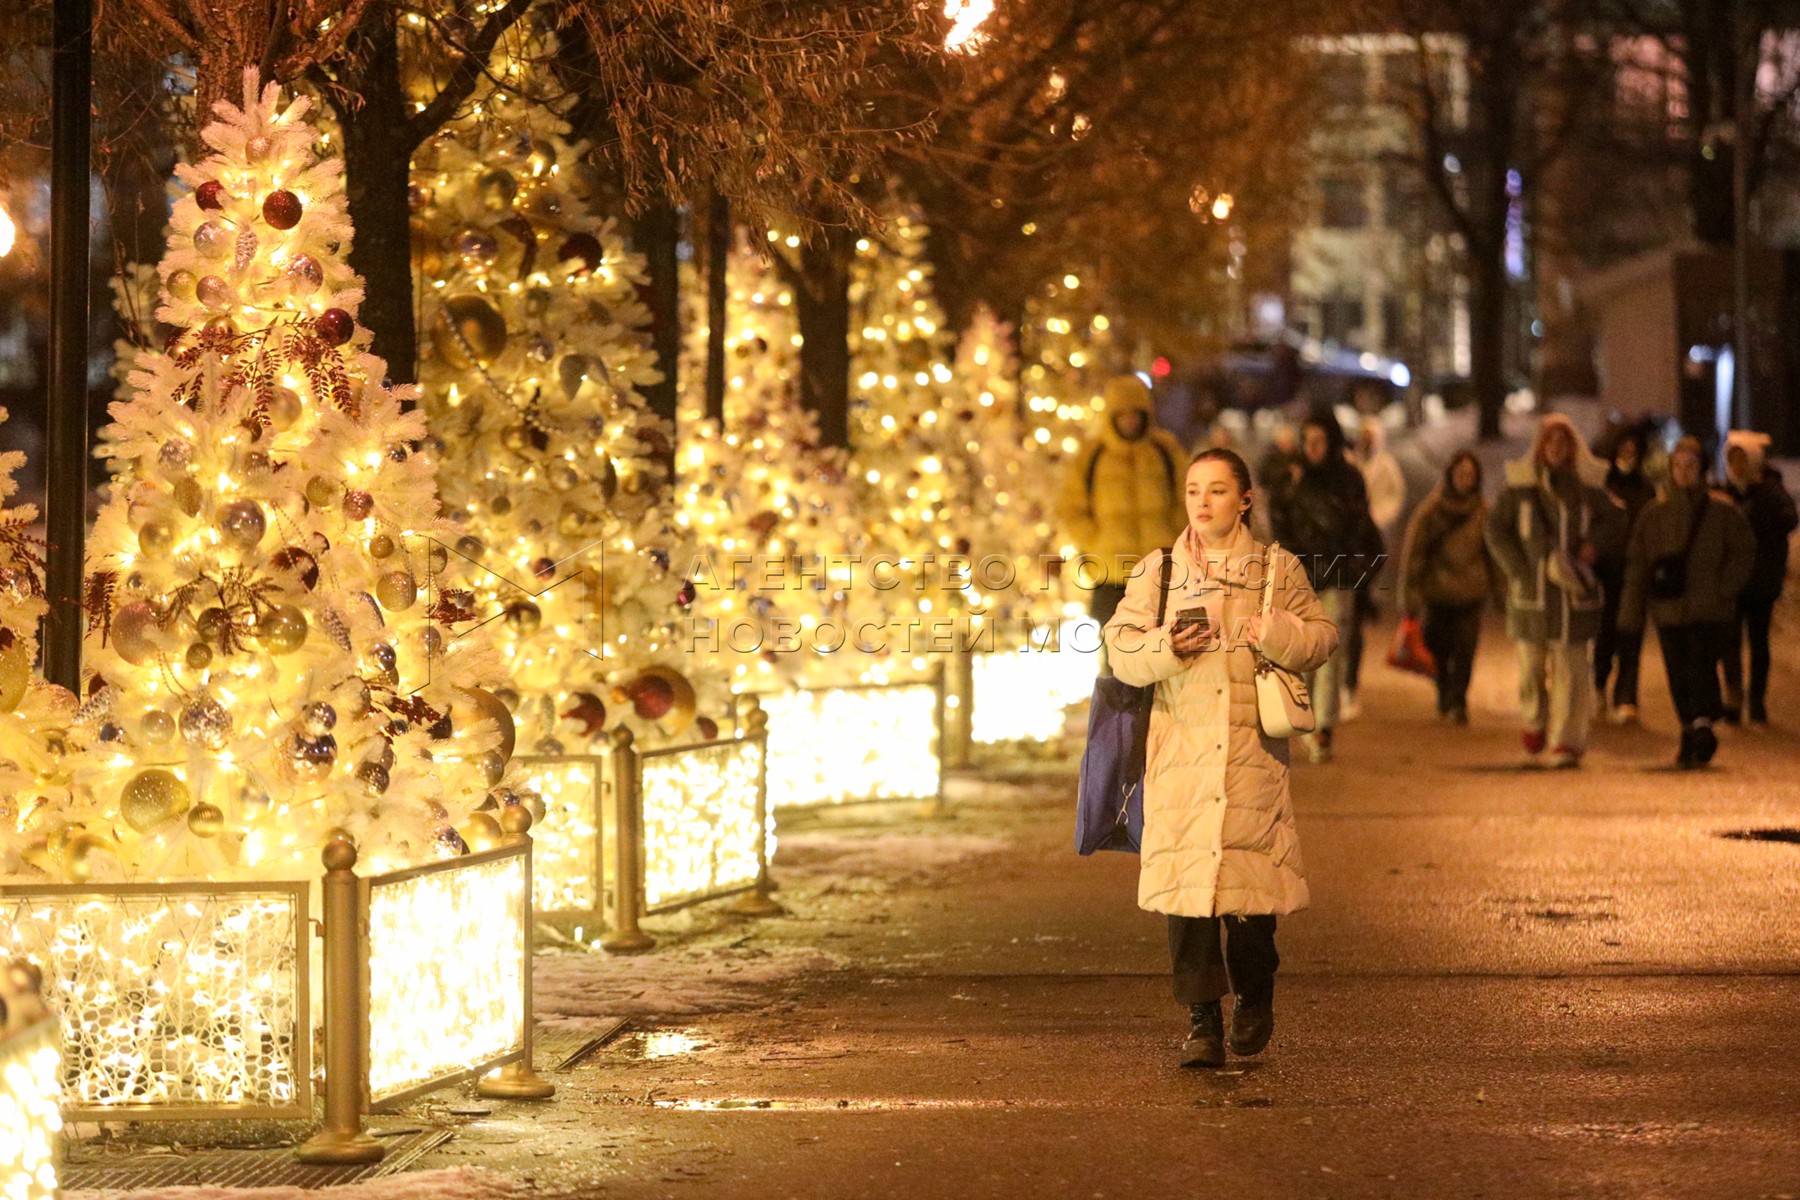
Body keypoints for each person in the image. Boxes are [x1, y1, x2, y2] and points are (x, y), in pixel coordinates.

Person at [1103, 448, 1337, 1069]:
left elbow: (1322, 636)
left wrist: (1275, 632)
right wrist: (1166, 646)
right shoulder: (1158, 570)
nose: (1202, 503)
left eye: (1216, 491)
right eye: (1192, 491)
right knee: (1187, 898)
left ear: (1245, 499)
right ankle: (1202, 1021)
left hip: (1249, 755)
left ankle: (1255, 996)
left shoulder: (1274, 568)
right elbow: (1120, 650)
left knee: (1251, 901)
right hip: (1179, 752)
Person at [1485, 414, 1627, 768]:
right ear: (1540, 447)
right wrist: (1518, 569)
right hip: (1530, 598)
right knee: (1530, 668)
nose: (1556, 450)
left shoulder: (1587, 491)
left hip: (1573, 599)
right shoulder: (1519, 491)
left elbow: (1616, 520)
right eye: (1550, 442)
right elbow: (1496, 531)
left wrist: (1594, 545)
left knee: (1573, 672)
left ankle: (1567, 741)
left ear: (1573, 448)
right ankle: (1534, 722)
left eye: (1564, 443)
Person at [1620, 437, 1755, 768]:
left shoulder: (1722, 512)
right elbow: (1638, 564)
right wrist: (1630, 615)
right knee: (1678, 675)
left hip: (1707, 609)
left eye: (1690, 466)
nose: (1683, 472)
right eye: (1678, 465)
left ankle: (1702, 727)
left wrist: (1724, 589)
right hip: (1668, 610)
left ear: (1702, 469)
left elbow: (1744, 551)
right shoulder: (1655, 515)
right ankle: (1689, 730)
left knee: (1700, 669)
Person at [1271, 410, 1378, 763]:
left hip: (1337, 575)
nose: (1313, 448)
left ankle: (1323, 728)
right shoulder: (1291, 478)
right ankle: (1306, 719)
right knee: (1303, 654)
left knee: (1330, 653)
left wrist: (1354, 567)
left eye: (1320, 441)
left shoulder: (1349, 478)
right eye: (1308, 441)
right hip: (1300, 578)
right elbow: (1279, 521)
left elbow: (1360, 525)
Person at [1056, 375, 1188, 633]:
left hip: (1159, 571)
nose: (1130, 420)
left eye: (1135, 413)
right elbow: (1071, 506)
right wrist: (1093, 539)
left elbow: (1185, 495)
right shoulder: (1092, 454)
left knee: (1163, 647)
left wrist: (1175, 531)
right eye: (1122, 414)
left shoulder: (1164, 450)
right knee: (1116, 650)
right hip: (1110, 574)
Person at [1398, 450, 1495, 724]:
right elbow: (1414, 555)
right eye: (1460, 473)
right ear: (1450, 476)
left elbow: (1493, 555)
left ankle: (1458, 700)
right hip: (1438, 593)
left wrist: (1503, 593)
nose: (1465, 479)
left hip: (1470, 593)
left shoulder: (1484, 512)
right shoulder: (1430, 511)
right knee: (1437, 647)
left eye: (1470, 475)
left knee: (1465, 649)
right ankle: (1443, 691)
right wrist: (1410, 597)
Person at [1719, 430, 1797, 726]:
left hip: (1762, 580)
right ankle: (1734, 697)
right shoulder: (1725, 492)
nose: (1737, 466)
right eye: (1732, 460)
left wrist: (1761, 501)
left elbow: (1789, 520)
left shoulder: (1770, 490)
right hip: (1732, 580)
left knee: (1759, 642)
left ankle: (1758, 701)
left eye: (1742, 459)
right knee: (1730, 642)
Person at [1342, 419, 1407, 721]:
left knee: (1359, 596)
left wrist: (1381, 516)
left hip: (1373, 534)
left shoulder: (1385, 465)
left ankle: (1368, 602)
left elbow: (1395, 495)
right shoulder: (1348, 464)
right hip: (1348, 544)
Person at [1595, 428, 1656, 724]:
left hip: (1635, 574)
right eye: (1623, 448)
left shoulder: (1646, 489)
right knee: (1604, 634)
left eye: (1633, 449)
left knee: (1631, 635)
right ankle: (1598, 686)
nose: (1628, 455)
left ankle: (1626, 697)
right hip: (1603, 572)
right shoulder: (1603, 485)